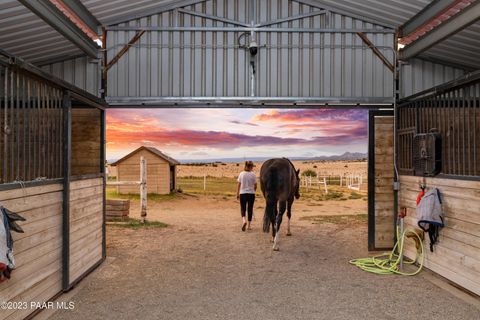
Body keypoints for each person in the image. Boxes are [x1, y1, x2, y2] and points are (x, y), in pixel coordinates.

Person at [236, 161, 257, 231]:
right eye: (252, 167)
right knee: (250, 209)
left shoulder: (241, 174)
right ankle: (249, 226)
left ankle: (244, 220)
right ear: (250, 167)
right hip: (251, 194)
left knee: (243, 208)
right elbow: (255, 185)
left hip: (242, 194)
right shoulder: (253, 174)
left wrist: (237, 194)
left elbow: (238, 184)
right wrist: (253, 190)